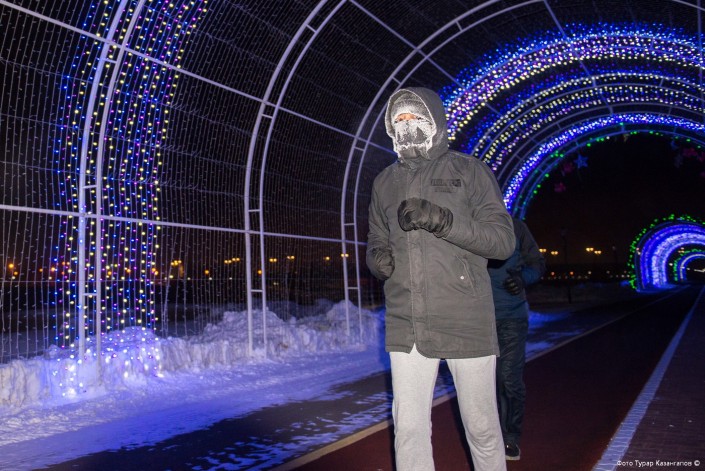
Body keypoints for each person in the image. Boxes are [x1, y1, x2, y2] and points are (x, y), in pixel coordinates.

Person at [366, 87, 515, 471]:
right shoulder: (384, 182)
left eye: (415, 116)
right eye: (398, 119)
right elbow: (376, 239)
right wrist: (377, 260)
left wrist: (444, 221)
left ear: (434, 121)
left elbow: (502, 242)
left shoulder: (469, 171)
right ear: (390, 128)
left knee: (481, 427)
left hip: (465, 317)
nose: (406, 124)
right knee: (409, 429)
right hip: (408, 322)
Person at [488, 217, 545, 461]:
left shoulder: (516, 226)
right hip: (477, 321)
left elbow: (537, 264)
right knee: (480, 383)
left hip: (511, 317)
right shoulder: (469, 223)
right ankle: (487, 436)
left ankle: (509, 437)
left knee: (508, 378)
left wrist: (522, 278)